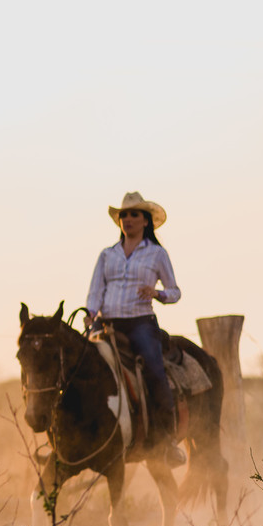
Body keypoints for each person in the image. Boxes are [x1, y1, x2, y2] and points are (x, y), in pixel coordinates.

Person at [85, 191, 185, 467]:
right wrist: (91, 314)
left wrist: (157, 293)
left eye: (133, 215)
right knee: (80, 365)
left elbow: (175, 291)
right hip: (107, 323)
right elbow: (95, 291)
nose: (127, 219)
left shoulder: (156, 254)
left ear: (145, 221)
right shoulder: (107, 255)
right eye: (124, 215)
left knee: (154, 370)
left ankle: (167, 442)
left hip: (140, 323)